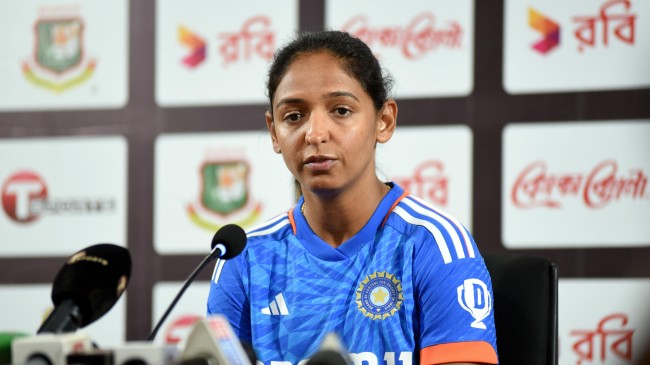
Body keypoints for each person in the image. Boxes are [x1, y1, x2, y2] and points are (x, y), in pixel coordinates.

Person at [207, 30, 498, 365]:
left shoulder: (434, 245)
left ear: (384, 121)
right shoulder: (245, 256)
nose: (315, 133)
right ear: (274, 132)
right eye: (294, 117)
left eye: (341, 111)